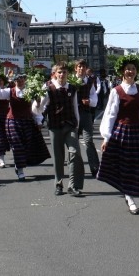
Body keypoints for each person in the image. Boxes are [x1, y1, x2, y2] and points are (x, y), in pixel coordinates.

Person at [97, 56, 139, 215]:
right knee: (126, 164)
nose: (130, 71)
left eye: (133, 69)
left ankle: (131, 192)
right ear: (122, 71)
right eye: (128, 69)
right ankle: (129, 196)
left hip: (138, 131)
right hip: (123, 131)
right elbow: (110, 114)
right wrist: (106, 137)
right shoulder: (117, 91)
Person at [37, 62, 84, 196]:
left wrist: (77, 125)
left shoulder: (72, 88)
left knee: (74, 152)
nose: (62, 75)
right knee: (58, 157)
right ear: (55, 74)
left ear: (68, 74)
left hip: (70, 125)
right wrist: (37, 101)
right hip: (55, 126)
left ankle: (72, 185)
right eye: (59, 72)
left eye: (64, 72)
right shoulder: (48, 88)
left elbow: (75, 108)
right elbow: (38, 109)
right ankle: (59, 184)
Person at [0, 74, 51, 181]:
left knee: (27, 145)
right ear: (15, 82)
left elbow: (35, 108)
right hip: (13, 121)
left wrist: (38, 119)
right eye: (18, 80)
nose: (20, 81)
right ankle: (20, 170)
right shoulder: (10, 91)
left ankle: (19, 165)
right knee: (17, 146)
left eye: (22, 79)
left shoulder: (30, 92)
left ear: (25, 80)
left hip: (27, 121)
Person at [75, 60, 99, 178]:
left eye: (83, 67)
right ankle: (75, 168)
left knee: (88, 140)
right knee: (74, 143)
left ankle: (95, 168)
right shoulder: (70, 81)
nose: (81, 69)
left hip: (85, 114)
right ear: (76, 68)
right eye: (79, 67)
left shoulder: (90, 81)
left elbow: (94, 97)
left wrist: (89, 101)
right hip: (73, 115)